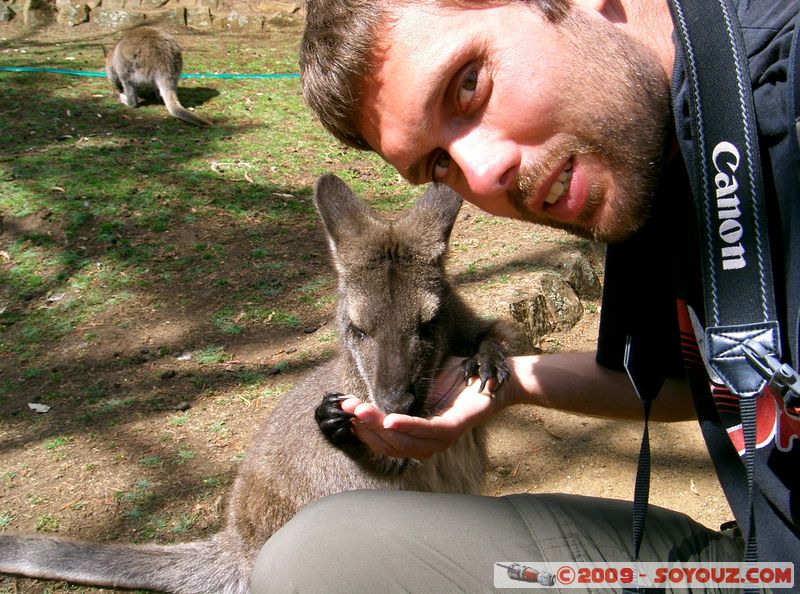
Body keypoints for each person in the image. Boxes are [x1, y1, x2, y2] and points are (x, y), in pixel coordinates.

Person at [251, 0, 800, 591]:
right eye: (438, 164)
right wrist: (503, 384)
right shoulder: (640, 156)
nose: (482, 174)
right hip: (763, 559)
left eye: (469, 84)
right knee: (312, 556)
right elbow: (677, 384)